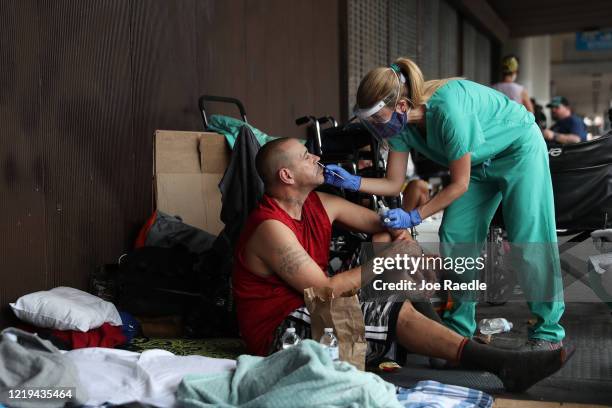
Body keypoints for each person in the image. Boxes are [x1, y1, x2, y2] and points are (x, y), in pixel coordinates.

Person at [232, 137, 572, 392]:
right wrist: (393, 258)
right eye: (308, 156)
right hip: (279, 335)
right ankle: (501, 365)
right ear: (287, 175)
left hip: (312, 309)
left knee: (384, 246)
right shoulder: (270, 228)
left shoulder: (319, 203)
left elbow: (381, 224)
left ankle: (445, 341)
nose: (318, 157)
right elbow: (323, 289)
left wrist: (399, 231)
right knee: (388, 303)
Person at [323, 57, 566, 351]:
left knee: (529, 237)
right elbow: (392, 182)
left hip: (517, 150)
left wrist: (414, 216)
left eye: (376, 119)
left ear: (400, 107)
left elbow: (459, 184)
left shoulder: (448, 110)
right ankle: (460, 327)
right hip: (476, 166)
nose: (374, 128)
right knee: (455, 236)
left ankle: (549, 332)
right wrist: (351, 181)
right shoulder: (399, 127)